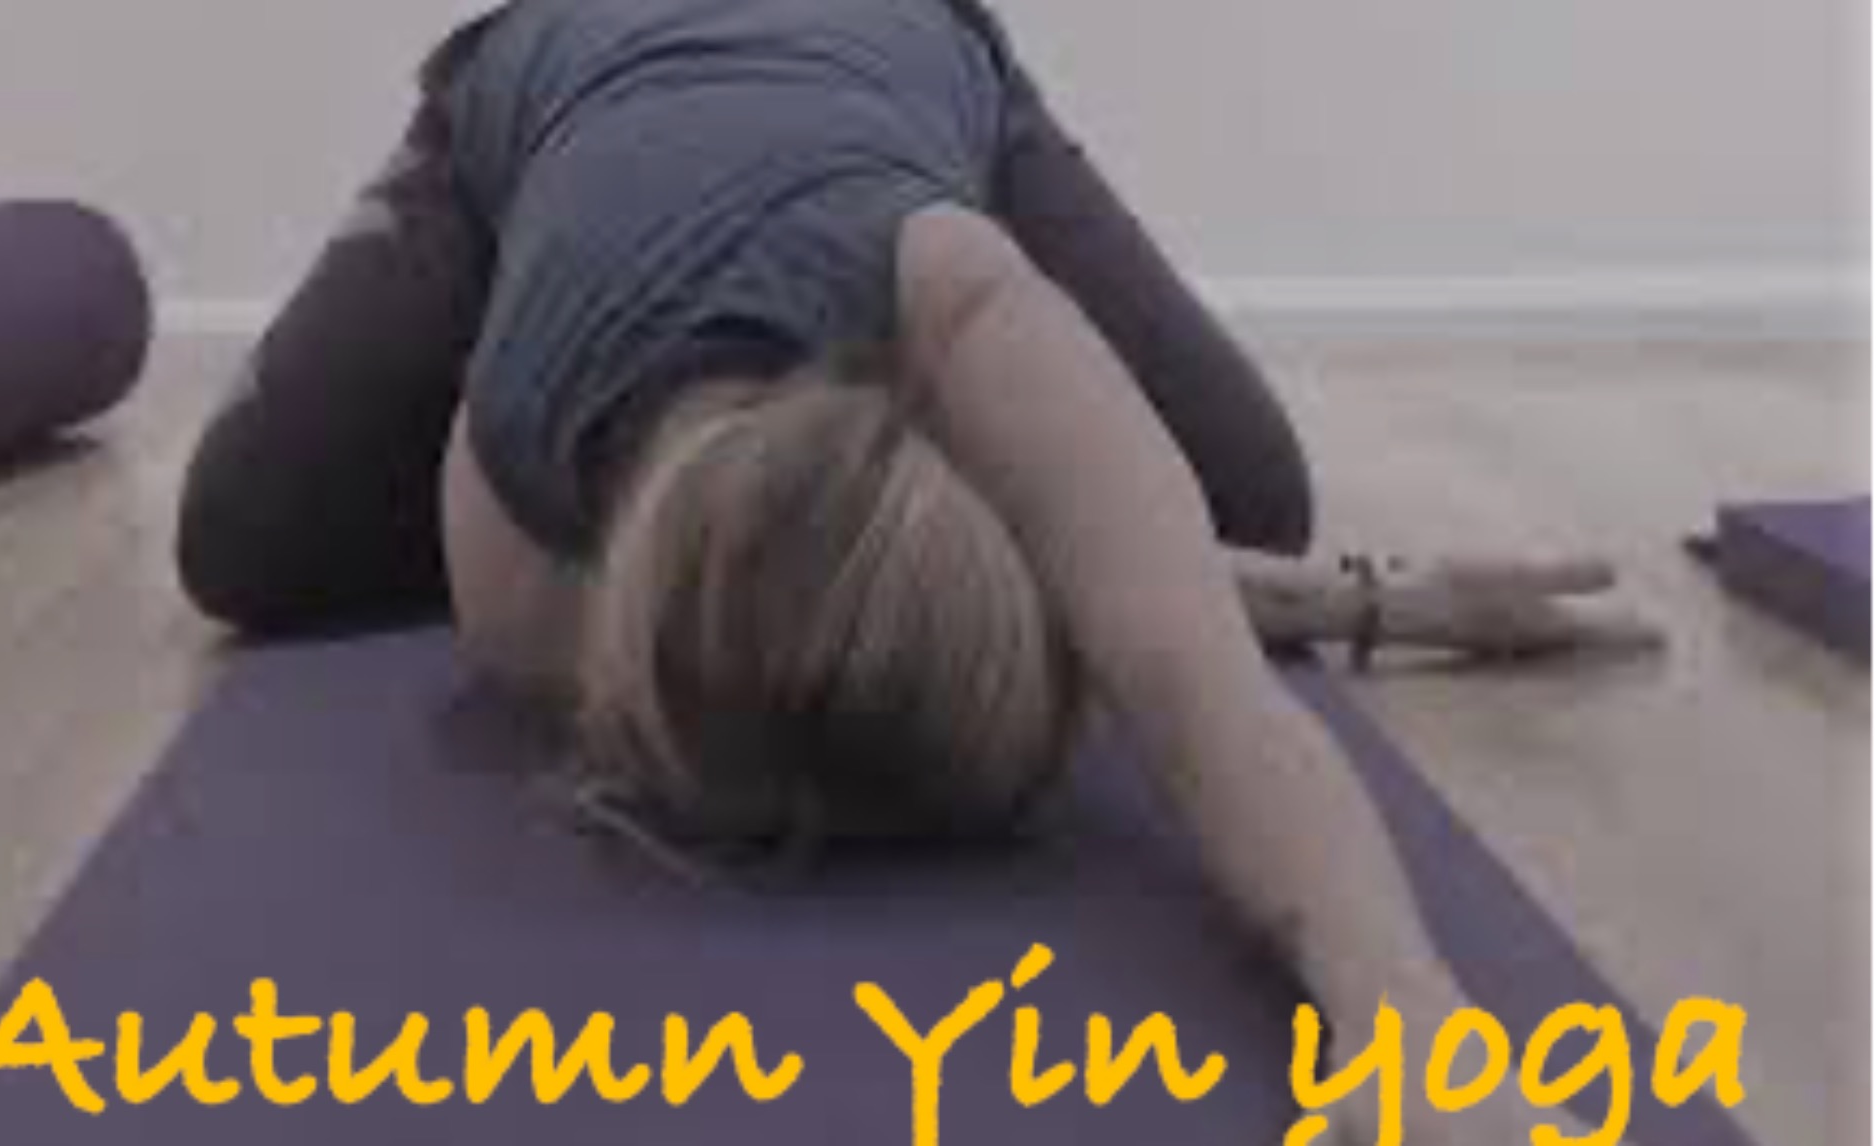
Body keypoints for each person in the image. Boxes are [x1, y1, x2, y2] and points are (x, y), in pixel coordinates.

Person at [177, 0, 1650, 1137]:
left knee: (1248, 491)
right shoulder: (516, 536)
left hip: (894, 41)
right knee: (244, 543)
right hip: (555, 62)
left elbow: (1193, 684)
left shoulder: (956, 278)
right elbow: (1133, 624)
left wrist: (1412, 1017)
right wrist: (1191, 572)